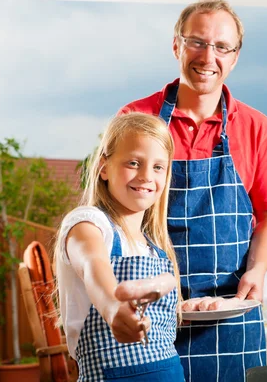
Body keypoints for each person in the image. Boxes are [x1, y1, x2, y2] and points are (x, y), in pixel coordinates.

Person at [117, 0, 267, 381]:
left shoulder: (257, 128)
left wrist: (258, 270)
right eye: (197, 41)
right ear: (176, 45)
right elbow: (112, 216)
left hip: (231, 315)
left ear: (235, 56)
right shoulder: (135, 119)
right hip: (152, 311)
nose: (208, 56)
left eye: (222, 46)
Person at [55, 113, 185, 380]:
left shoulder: (153, 247)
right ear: (104, 167)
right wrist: (113, 307)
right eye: (134, 163)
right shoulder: (89, 223)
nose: (147, 176)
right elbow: (93, 266)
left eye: (158, 167)